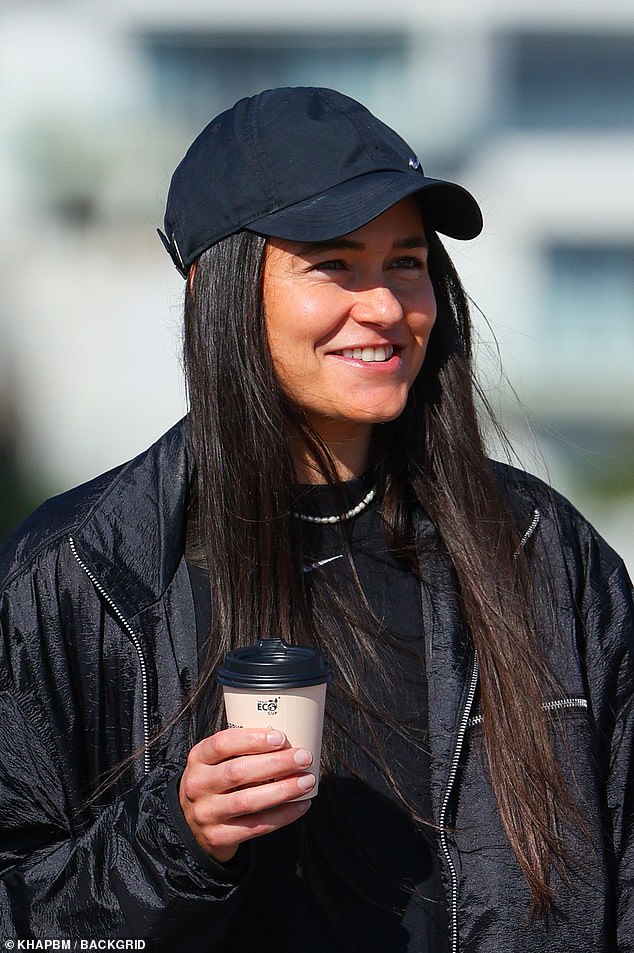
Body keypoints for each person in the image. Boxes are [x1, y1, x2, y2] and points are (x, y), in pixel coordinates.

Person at [0, 86, 632, 952]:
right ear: (210, 285)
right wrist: (176, 840)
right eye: (335, 264)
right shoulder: (81, 575)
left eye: (407, 262)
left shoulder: (549, 557)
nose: (383, 307)